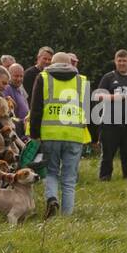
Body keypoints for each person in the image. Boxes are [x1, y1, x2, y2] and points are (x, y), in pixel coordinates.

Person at [28, 51, 89, 217]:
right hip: (74, 135)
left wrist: (34, 134)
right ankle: (66, 216)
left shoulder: (43, 78)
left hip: (50, 134)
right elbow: (89, 111)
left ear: (51, 64)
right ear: (70, 64)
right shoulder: (82, 81)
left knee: (51, 171)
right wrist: (95, 136)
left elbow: (36, 108)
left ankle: (52, 198)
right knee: (69, 178)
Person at [95, 49, 127, 181]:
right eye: (119, 60)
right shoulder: (109, 77)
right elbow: (98, 96)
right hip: (110, 122)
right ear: (115, 61)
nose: (122, 63)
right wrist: (114, 97)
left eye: (124, 60)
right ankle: (105, 177)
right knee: (108, 153)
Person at [4, 63, 30, 131]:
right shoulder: (7, 88)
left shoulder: (20, 88)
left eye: (21, 76)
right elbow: (9, 115)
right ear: (9, 75)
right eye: (16, 76)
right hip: (17, 130)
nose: (19, 79)